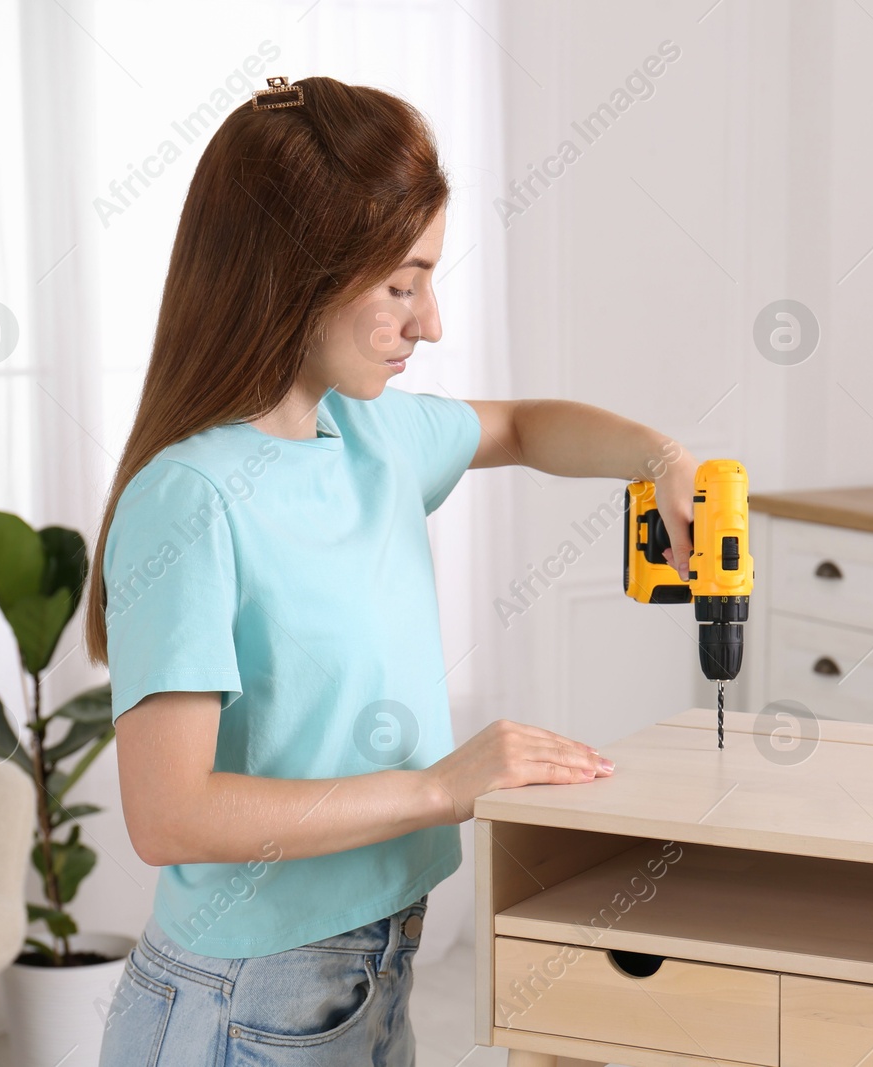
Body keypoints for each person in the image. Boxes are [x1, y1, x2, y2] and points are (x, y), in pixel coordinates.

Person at [85, 75, 700, 1066]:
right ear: (298, 274)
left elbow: (520, 425)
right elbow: (169, 813)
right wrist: (436, 787)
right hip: (244, 998)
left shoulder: (368, 435)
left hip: (370, 962)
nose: (432, 322)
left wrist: (662, 458)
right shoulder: (191, 499)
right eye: (401, 285)